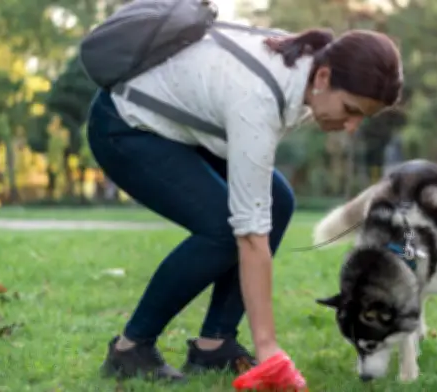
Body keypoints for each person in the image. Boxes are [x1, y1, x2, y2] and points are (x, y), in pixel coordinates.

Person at [86, 24, 403, 386]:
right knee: (224, 228)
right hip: (125, 126)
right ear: (325, 76)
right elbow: (251, 236)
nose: (351, 126)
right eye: (350, 109)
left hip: (179, 126)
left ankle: (214, 345)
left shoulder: (305, 68)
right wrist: (268, 347)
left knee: (277, 201)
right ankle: (130, 349)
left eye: (362, 116)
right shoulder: (259, 98)